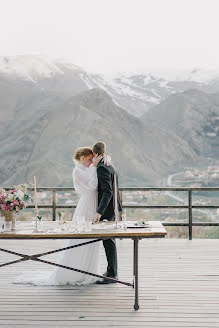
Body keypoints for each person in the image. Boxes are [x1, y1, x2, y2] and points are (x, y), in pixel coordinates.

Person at [14, 147, 104, 285]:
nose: (91, 162)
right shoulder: (78, 171)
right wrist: (94, 167)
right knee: (82, 236)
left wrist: (101, 161)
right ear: (82, 158)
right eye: (89, 159)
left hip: (92, 203)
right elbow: (92, 185)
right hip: (86, 205)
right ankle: (75, 271)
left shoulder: (87, 168)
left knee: (92, 238)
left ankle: (88, 269)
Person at [92, 141, 122, 284]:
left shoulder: (102, 168)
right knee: (108, 241)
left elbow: (107, 192)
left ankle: (112, 274)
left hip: (108, 209)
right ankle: (111, 270)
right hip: (113, 208)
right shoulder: (110, 165)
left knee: (109, 241)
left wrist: (99, 212)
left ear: (95, 154)